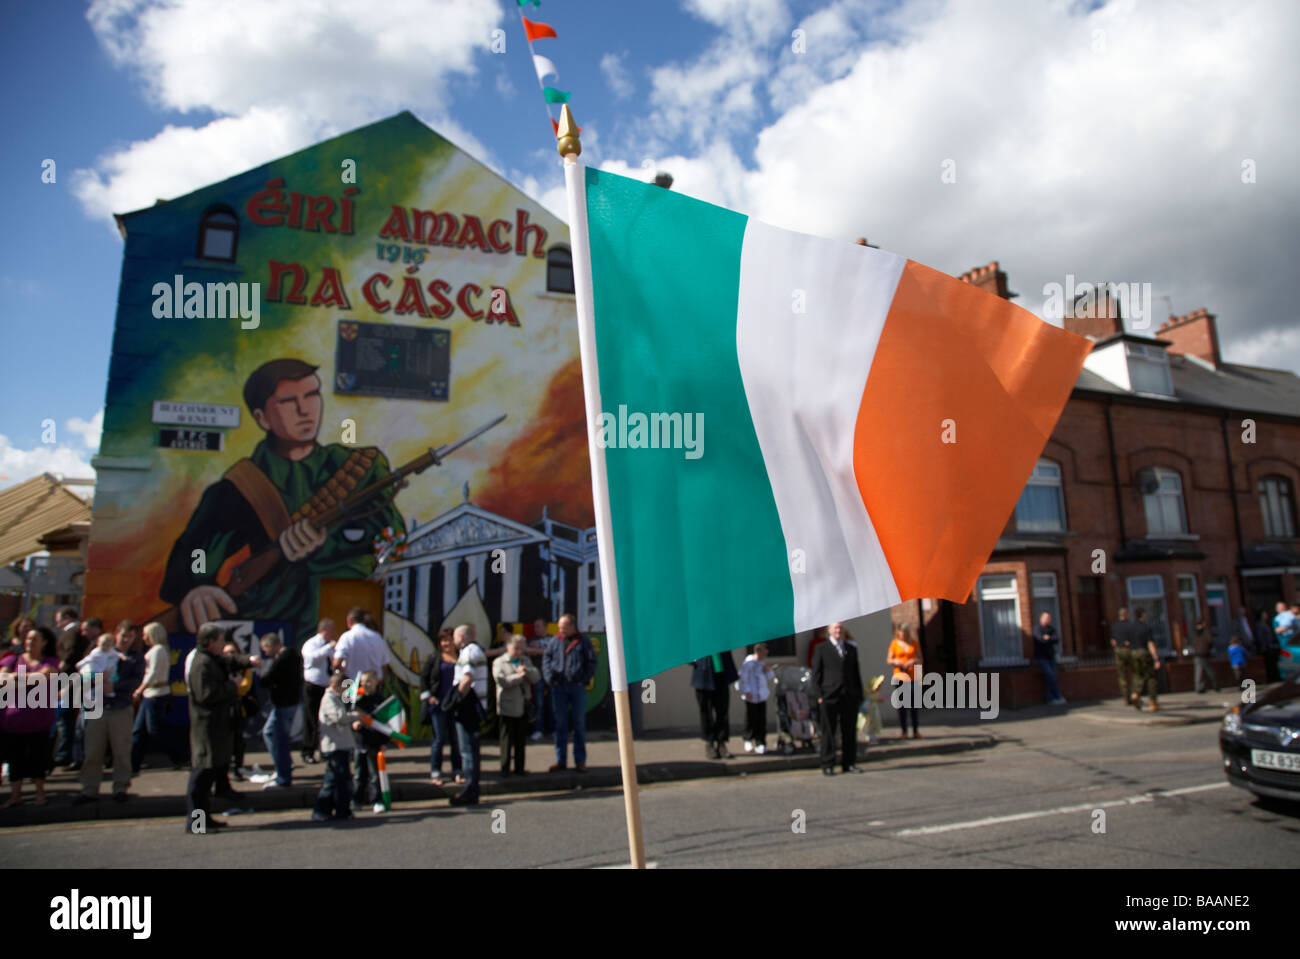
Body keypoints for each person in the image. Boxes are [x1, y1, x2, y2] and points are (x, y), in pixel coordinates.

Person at [158, 358, 404, 646]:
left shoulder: (358, 467)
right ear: (262, 418)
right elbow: (197, 553)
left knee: (347, 691)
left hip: (345, 622)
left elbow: (393, 536)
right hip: (270, 625)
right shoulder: (240, 487)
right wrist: (197, 585)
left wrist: (335, 546)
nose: (305, 410)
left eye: (312, 395)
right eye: (288, 402)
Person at [75, 621, 145, 805]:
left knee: (121, 750)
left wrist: (115, 686)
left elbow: (136, 680)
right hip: (96, 705)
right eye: (124, 636)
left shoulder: (135, 657)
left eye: (130, 637)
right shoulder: (99, 651)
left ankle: (121, 787)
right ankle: (89, 788)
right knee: (92, 750)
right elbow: (84, 672)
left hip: (120, 707)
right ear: (116, 634)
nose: (126, 640)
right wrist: (97, 681)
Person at [0, 626, 60, 806]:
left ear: (44, 643)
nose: (29, 642)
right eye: (27, 639)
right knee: (15, 759)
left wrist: (15, 679)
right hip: (13, 721)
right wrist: (26, 679)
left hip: (39, 721)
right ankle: (15, 795)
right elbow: (2, 680)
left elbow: (43, 677)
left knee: (38, 759)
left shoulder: (50, 661)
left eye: (34, 639)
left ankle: (40, 794)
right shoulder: (12, 659)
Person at [543, 614, 597, 772]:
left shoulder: (583, 641)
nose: (561, 629)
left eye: (564, 626)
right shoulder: (555, 640)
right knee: (560, 724)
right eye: (560, 626)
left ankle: (580, 761)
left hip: (576, 687)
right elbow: (547, 658)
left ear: (573, 626)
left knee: (579, 724)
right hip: (559, 687)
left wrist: (584, 679)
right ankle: (560, 760)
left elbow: (592, 661)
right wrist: (549, 679)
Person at [131, 622, 186, 773]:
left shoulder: (158, 650)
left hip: (155, 694)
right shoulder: (158, 650)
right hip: (151, 693)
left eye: (145, 634)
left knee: (155, 730)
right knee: (139, 730)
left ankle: (179, 757)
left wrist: (140, 689)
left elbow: (153, 673)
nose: (143, 638)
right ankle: (133, 762)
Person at [812, 622, 865, 775]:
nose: (838, 630)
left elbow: (856, 674)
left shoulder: (851, 648)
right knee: (828, 731)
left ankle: (849, 763)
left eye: (841, 627)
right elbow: (816, 675)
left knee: (849, 731)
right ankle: (827, 763)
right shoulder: (821, 648)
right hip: (829, 695)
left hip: (849, 695)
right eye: (835, 627)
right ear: (829, 630)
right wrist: (819, 695)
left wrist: (859, 695)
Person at [446, 623, 488, 804]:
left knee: (467, 751)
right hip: (475, 705)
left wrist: (455, 699)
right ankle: (472, 789)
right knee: (472, 751)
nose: (453, 641)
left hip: (468, 708)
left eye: (455, 637)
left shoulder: (468, 652)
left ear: (461, 637)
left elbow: (467, 677)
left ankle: (470, 791)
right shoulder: (476, 650)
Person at [313, 670, 359, 821]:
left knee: (337, 780)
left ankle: (339, 810)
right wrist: (356, 716)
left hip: (340, 745)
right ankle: (326, 810)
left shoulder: (335, 698)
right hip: (334, 746)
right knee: (337, 781)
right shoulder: (329, 699)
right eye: (344, 688)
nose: (345, 692)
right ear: (335, 685)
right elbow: (339, 717)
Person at [258, 632, 301, 789]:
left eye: (265, 649)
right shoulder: (293, 657)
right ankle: (283, 766)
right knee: (270, 733)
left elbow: (267, 679)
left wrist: (263, 674)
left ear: (271, 645)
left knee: (279, 739)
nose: (265, 653)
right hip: (288, 703)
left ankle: (283, 776)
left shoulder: (282, 660)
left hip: (283, 704)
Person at [420, 628, 462, 785]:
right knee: (439, 739)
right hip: (438, 705)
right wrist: (428, 697)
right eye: (443, 640)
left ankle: (457, 770)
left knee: (456, 739)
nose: (447, 643)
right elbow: (424, 678)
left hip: (455, 704)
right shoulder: (435, 658)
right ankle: (436, 771)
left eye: (449, 640)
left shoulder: (462, 657)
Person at [493, 634, 540, 776]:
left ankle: (519, 768)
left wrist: (527, 671)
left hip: (522, 705)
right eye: (515, 648)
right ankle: (505, 767)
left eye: (521, 648)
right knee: (507, 739)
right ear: (508, 647)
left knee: (521, 739)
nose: (518, 651)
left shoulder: (525, 661)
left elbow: (536, 677)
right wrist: (519, 677)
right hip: (507, 706)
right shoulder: (500, 662)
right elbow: (502, 681)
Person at [52, 608, 87, 768]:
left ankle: (64, 754)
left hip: (69, 680)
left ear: (66, 618)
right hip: (73, 680)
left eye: (59, 620)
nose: (57, 624)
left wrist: (62, 667)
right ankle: (69, 753)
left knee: (66, 717)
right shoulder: (76, 631)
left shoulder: (72, 632)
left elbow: (71, 653)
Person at [690, 647, 738, 760]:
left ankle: (721, 743)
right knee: (706, 713)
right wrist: (696, 660)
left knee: (722, 711)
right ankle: (710, 743)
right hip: (703, 677)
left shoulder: (720, 633)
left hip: (721, 676)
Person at [299, 618, 337, 764]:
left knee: (325, 720)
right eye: (331, 630)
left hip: (327, 687)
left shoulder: (329, 646)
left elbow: (334, 662)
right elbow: (311, 658)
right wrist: (328, 649)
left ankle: (324, 750)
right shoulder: (312, 644)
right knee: (311, 718)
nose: (333, 633)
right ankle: (308, 750)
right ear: (324, 630)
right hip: (313, 686)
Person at [353, 670, 388, 812]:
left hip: (374, 742)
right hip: (360, 741)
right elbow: (348, 714)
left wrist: (384, 742)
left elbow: (386, 723)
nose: (365, 684)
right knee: (359, 773)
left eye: (369, 681)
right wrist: (353, 724)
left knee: (374, 774)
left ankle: (376, 800)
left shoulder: (380, 700)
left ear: (376, 682)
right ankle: (357, 799)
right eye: (363, 682)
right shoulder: (357, 700)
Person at [333, 607, 388, 682]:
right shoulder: (377, 637)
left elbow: (336, 663)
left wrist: (343, 673)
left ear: (349, 620)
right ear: (364, 620)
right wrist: (379, 681)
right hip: (373, 684)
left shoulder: (347, 637)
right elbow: (384, 664)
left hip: (352, 683)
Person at [736, 642, 774, 754]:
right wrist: (747, 691)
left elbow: (770, 676)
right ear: (759, 651)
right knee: (751, 718)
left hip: (761, 696)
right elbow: (743, 678)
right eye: (764, 651)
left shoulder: (762, 663)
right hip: (751, 696)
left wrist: (768, 670)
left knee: (761, 720)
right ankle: (748, 738)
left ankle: (760, 741)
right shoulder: (749, 663)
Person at [887, 625, 922, 739]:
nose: (903, 635)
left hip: (913, 677)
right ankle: (904, 731)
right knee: (902, 705)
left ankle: (915, 731)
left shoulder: (914, 643)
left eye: (905, 632)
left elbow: (920, 659)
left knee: (913, 705)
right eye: (901, 632)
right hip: (900, 678)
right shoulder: (895, 644)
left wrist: (912, 661)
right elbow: (889, 659)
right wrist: (896, 661)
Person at [1032, 611, 1066, 705]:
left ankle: (1051, 698)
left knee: (1052, 677)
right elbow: (1039, 639)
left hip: (1051, 656)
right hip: (1041, 657)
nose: (1048, 620)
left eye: (1049, 618)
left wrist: (1048, 638)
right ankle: (1056, 696)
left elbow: (1057, 639)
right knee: (1050, 675)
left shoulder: (1051, 629)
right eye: (1046, 618)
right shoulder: (1037, 629)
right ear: (1041, 618)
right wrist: (1046, 639)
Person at [527, 618, 552, 742]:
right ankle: (539, 730)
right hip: (538, 677)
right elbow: (528, 651)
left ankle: (554, 730)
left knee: (554, 704)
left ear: (545, 627)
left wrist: (539, 651)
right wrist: (543, 651)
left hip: (551, 677)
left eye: (538, 626)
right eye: (535, 626)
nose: (536, 629)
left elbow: (554, 652)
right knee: (539, 705)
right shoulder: (531, 640)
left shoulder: (552, 639)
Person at [1133, 609, 1162, 712]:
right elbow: (1150, 643)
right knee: (1151, 677)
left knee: (1138, 675)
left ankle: (1136, 694)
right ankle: (1153, 703)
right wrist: (1156, 658)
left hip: (1133, 654)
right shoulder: (1146, 627)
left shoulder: (1132, 627)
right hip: (1144, 653)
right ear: (1143, 615)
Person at [1191, 618, 1220, 693]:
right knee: (1209, 670)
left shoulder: (1195, 633)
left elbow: (1193, 643)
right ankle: (1215, 685)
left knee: (1198, 672)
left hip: (1197, 654)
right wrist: (1208, 649)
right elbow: (1210, 641)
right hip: (1204, 653)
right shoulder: (1206, 632)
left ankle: (1199, 688)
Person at [1255, 608, 1280, 683]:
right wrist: (1265, 646)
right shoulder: (1259, 624)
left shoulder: (1265, 623)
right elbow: (1260, 637)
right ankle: (1271, 678)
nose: (1266, 615)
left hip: (1270, 647)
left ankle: (1274, 677)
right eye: (1264, 614)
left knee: (1272, 663)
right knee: (1269, 664)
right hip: (1267, 648)